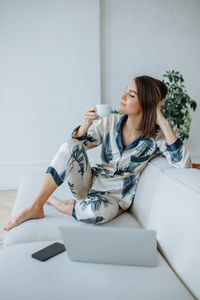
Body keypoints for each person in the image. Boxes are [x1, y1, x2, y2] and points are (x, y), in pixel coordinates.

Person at [3, 75, 191, 231]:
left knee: (94, 213)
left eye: (131, 95)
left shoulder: (157, 139)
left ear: (147, 104)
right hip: (88, 183)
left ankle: (60, 204)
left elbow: (183, 165)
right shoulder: (109, 122)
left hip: (113, 199)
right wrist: (85, 124)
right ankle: (36, 206)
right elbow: (77, 147)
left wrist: (161, 119)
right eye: (126, 91)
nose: (123, 96)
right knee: (70, 144)